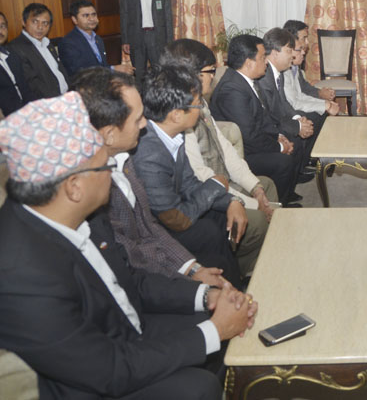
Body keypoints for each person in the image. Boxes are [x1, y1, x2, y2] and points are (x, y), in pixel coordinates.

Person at [0, 92, 257, 399]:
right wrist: (214, 331)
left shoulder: (75, 213)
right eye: (105, 168)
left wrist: (207, 296)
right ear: (74, 187)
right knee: (198, 386)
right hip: (94, 377)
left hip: (125, 326)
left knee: (221, 334)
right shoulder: (21, 275)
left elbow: (130, 281)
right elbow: (107, 370)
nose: (114, 173)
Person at [71, 67, 227, 287]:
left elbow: (147, 225)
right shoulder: (92, 184)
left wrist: (192, 267)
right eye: (137, 119)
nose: (145, 124)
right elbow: (132, 257)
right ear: (109, 135)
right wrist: (193, 284)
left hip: (157, 256)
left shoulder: (123, 159)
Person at [160, 39, 273, 276]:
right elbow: (199, 176)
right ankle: (237, 274)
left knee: (267, 186)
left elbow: (226, 151)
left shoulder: (200, 103)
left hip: (220, 184)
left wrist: (255, 189)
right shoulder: (179, 115)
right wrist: (251, 203)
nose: (214, 76)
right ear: (188, 75)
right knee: (259, 220)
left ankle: (257, 263)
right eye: (210, 71)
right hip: (205, 194)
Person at [133, 63, 246, 287]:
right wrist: (217, 185)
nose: (201, 110)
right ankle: (226, 289)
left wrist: (232, 200)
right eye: (196, 106)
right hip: (154, 228)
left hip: (178, 209)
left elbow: (189, 184)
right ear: (176, 115)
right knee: (209, 231)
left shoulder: (174, 134)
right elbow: (176, 219)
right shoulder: (148, 153)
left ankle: (233, 283)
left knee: (220, 220)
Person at [210, 34, 302, 206]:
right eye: (262, 58)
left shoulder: (246, 80)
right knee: (283, 162)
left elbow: (264, 118)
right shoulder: (232, 90)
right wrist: (279, 147)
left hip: (253, 142)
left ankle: (284, 198)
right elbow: (248, 135)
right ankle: (277, 209)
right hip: (242, 153)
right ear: (248, 63)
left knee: (292, 142)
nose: (266, 62)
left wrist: (278, 136)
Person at [255, 27, 318, 183]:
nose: (294, 55)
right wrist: (296, 126)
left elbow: (283, 103)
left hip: (278, 119)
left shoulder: (279, 72)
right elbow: (271, 113)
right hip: (268, 125)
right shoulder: (264, 77)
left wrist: (298, 119)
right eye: (289, 51)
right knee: (295, 138)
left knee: (305, 125)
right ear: (276, 53)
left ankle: (292, 182)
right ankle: (286, 194)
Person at [120, 0, 174, 82]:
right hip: (136, 36)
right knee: (139, 75)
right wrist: (125, 40)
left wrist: (170, 42)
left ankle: (160, 101)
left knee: (160, 73)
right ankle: (141, 101)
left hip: (157, 36)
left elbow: (168, 16)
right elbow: (124, 14)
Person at [5, 2, 68, 100]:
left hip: (65, 97)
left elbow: (60, 71)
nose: (40, 27)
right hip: (47, 103)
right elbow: (32, 84)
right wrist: (58, 102)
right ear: (23, 22)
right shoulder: (15, 48)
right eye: (35, 22)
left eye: (45, 23)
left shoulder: (48, 44)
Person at [58, 0, 135, 78]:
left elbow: (101, 66)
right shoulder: (68, 42)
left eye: (94, 14)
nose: (91, 19)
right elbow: (78, 72)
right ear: (74, 19)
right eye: (86, 15)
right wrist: (113, 69)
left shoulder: (97, 39)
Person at [283, 19, 339, 120]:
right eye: (304, 38)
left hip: (298, 104)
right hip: (289, 112)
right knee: (317, 115)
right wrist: (324, 104)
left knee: (322, 113)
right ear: (291, 40)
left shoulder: (296, 63)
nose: (307, 43)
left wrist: (320, 94)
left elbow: (303, 88)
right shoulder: (284, 68)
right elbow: (295, 101)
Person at [0, 11, 33, 116]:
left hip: (27, 110)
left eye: (2, 26)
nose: (0, 31)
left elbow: (25, 85)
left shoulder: (12, 54)